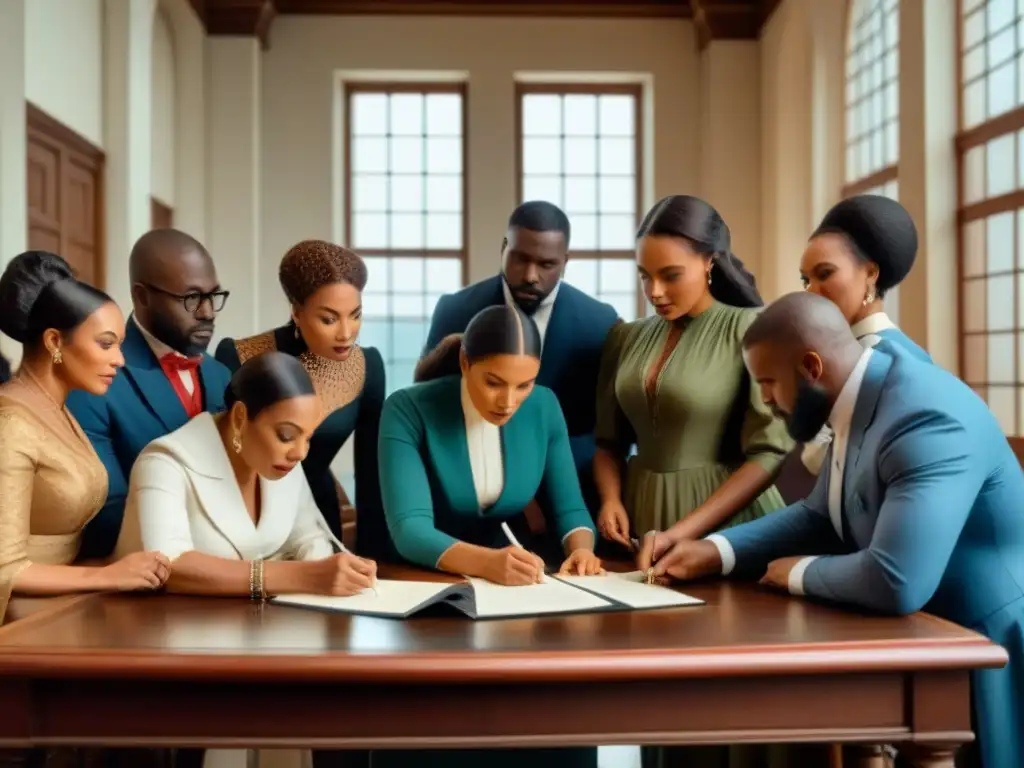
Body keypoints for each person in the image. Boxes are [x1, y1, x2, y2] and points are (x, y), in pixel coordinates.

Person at [644, 292, 1024, 768]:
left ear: (810, 367)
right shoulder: (861, 388)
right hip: (922, 633)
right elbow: (820, 513)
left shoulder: (925, 419)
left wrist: (796, 573)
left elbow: (896, 580)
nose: (765, 400)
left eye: (767, 382)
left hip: (985, 639)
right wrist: (715, 551)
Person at [595, 196, 795, 768]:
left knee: (731, 697)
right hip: (643, 529)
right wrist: (611, 497)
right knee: (664, 698)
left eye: (669, 275)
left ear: (711, 262)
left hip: (729, 524)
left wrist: (688, 533)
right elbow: (608, 442)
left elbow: (770, 450)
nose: (654, 291)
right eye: (644, 276)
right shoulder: (623, 338)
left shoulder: (750, 328)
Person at [117, 351, 377, 768]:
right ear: (240, 418)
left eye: (309, 437)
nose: (300, 453)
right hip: (164, 652)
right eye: (288, 435)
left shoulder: (281, 463)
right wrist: (304, 577)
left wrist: (331, 571)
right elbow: (168, 564)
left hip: (258, 640)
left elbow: (309, 535)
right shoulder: (164, 462)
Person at [377, 304, 600, 768]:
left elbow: (570, 508)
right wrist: (488, 563)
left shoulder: (544, 407)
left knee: (557, 712)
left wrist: (581, 549)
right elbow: (409, 529)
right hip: (427, 585)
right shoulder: (407, 408)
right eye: (494, 382)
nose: (509, 401)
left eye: (524, 384)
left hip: (515, 588)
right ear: (464, 363)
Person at [419, 201, 618, 520]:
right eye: (520, 258)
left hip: (574, 506)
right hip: (472, 504)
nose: (530, 275)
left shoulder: (601, 323)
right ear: (503, 248)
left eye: (547, 264)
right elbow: (430, 411)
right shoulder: (454, 311)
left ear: (565, 262)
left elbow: (606, 431)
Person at [0, 251, 170, 624]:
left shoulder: (58, 409)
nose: (120, 360)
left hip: (57, 607)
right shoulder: (11, 424)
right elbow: (5, 569)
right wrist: (105, 575)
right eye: (107, 344)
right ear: (55, 341)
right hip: (14, 623)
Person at [67, 229, 233, 560]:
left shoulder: (222, 376)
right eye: (191, 298)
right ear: (141, 296)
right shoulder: (96, 381)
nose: (208, 312)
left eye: (214, 295)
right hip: (130, 573)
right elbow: (106, 512)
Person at [215, 240, 387, 558]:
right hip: (245, 520)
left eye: (356, 315)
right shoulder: (238, 357)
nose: (347, 333)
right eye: (329, 319)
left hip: (320, 521)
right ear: (296, 311)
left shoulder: (369, 367)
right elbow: (219, 459)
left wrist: (374, 561)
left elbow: (371, 480)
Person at [799, 194, 932, 476]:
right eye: (806, 280)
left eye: (825, 274)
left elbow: (826, 462)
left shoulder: (888, 361)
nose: (811, 291)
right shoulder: (849, 354)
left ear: (870, 273)